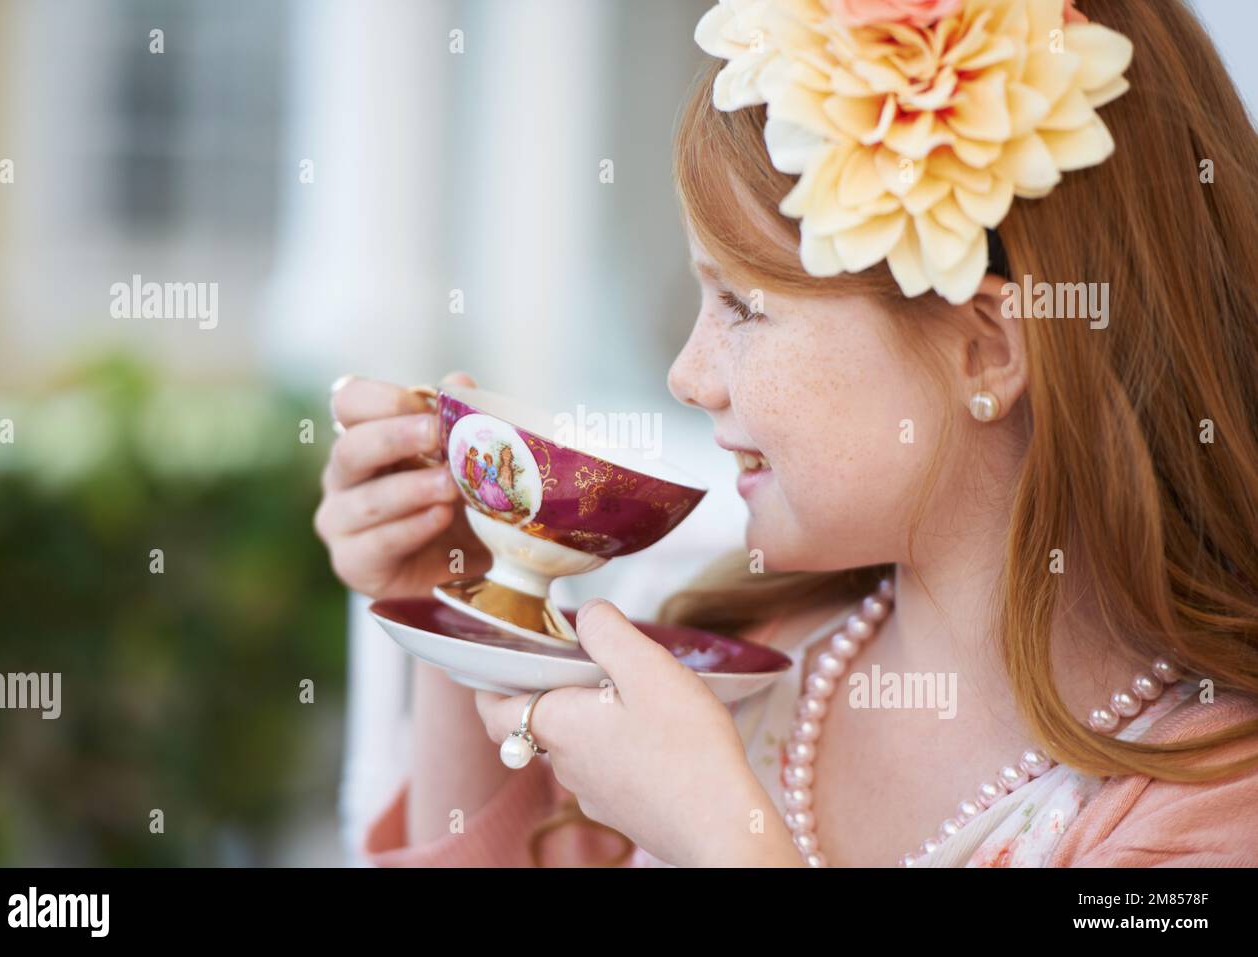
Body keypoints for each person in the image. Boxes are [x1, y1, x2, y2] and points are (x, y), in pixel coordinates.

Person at [313, 0, 1258, 867]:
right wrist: (467, 600)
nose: (689, 374)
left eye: (744, 307)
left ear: (985, 353)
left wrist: (725, 837)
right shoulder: (722, 668)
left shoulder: (1214, 808)